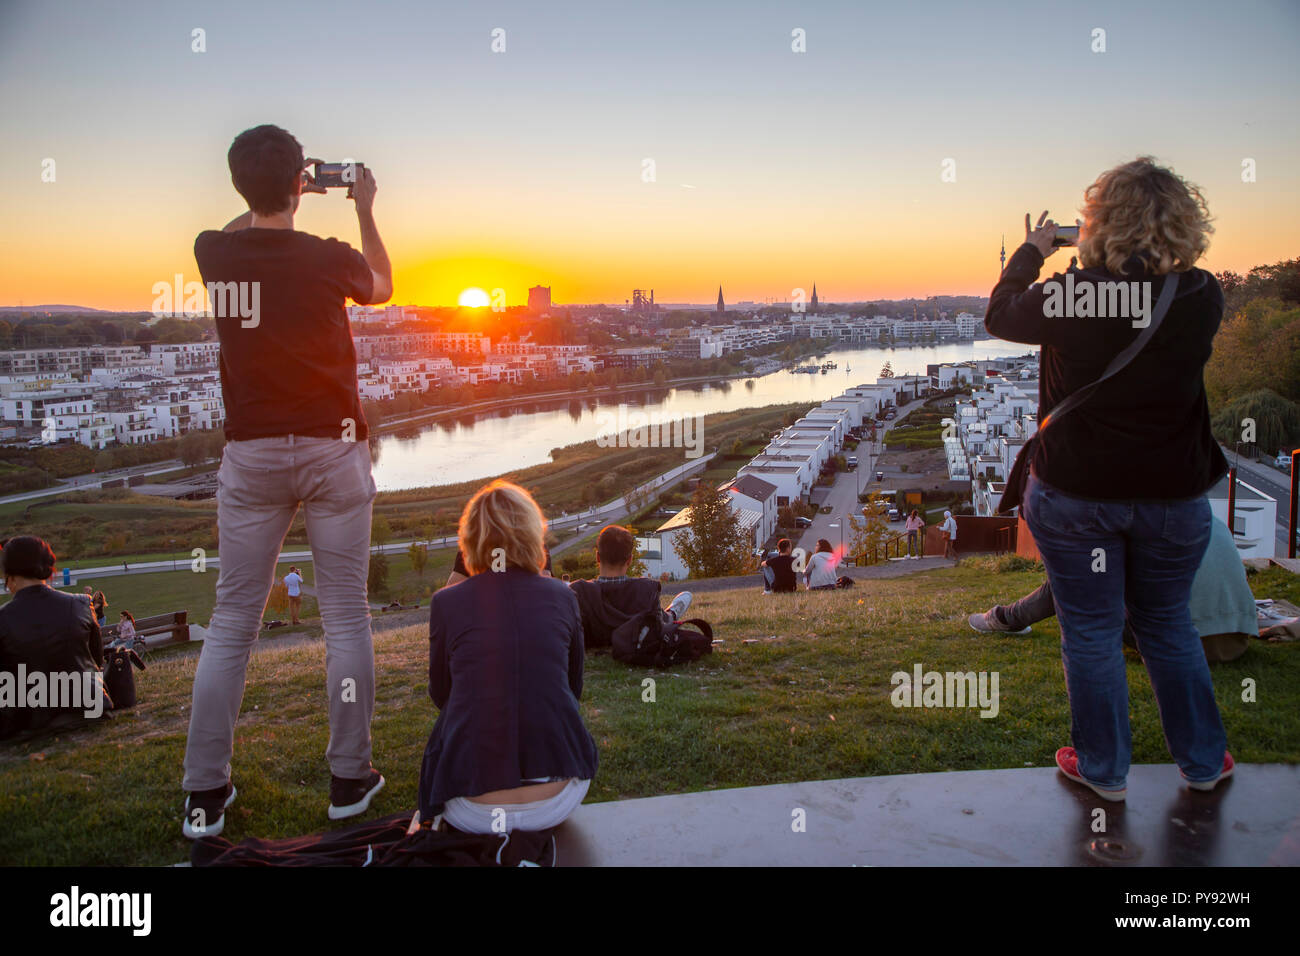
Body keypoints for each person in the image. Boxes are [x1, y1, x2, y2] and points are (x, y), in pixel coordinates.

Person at [985, 157, 1231, 801]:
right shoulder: (1202, 294)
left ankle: (1103, 771)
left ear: (1095, 225)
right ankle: (1204, 763)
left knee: (1090, 631)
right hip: (1174, 496)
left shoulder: (1077, 294)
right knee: (1167, 625)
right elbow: (1144, 301)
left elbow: (1002, 315)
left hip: (1077, 494)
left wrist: (1037, 251)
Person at [181, 124, 393, 839]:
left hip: (253, 454)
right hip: (333, 450)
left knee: (233, 622)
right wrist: (362, 206)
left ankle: (204, 796)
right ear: (303, 183)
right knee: (345, 616)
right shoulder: (328, 257)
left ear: (240, 187)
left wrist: (276, 191)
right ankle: (348, 778)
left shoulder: (216, 252)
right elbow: (385, 287)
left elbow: (247, 222)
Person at [418, 480, 598, 833]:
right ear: (534, 535)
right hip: (557, 798)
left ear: (470, 539)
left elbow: (441, 695)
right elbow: (572, 687)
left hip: (470, 806)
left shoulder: (446, 602)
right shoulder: (564, 597)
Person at [970, 517, 1258, 664]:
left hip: (1179, 649)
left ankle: (1004, 618)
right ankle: (1007, 618)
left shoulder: (1128, 517)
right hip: (1235, 640)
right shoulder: (1199, 510)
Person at [0, 536, 109, 740]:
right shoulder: (81, 604)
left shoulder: (3, 618)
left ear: (9, 573)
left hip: (27, 719)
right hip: (89, 705)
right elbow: (97, 660)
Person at [571, 525, 692, 648]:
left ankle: (669, 614)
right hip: (638, 636)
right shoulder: (646, 589)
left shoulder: (579, 591)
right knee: (668, 614)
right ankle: (671, 614)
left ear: (597, 557)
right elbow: (658, 627)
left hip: (595, 640)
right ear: (629, 560)